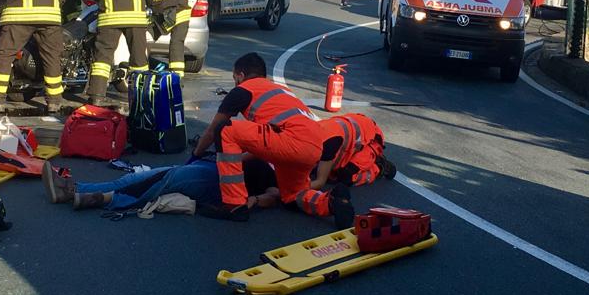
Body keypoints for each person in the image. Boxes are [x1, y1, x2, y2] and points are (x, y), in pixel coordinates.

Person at [192, 53, 354, 227]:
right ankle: (330, 202)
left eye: (234, 78)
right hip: (314, 147)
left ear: (240, 75)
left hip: (291, 140)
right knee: (292, 196)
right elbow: (263, 144)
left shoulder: (243, 90)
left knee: (225, 129)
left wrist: (196, 155)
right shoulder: (281, 91)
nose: (235, 82)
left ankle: (234, 205)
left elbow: (212, 130)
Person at [42, 157, 279, 214]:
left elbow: (274, 194)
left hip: (212, 179)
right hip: (207, 169)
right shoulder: (264, 149)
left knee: (159, 182)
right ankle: (75, 190)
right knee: (135, 180)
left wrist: (255, 200)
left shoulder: (271, 169)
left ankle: (101, 198)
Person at [310, 113, 396, 191]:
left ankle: (378, 167)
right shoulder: (311, 133)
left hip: (370, 140)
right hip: (354, 126)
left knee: (347, 177)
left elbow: (320, 182)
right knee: (318, 170)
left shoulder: (329, 145)